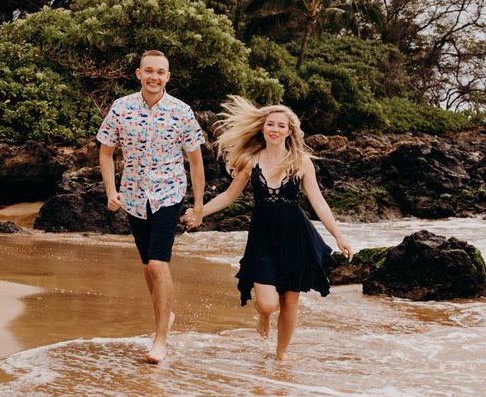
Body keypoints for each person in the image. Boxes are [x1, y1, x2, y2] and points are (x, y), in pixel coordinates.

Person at [187, 97, 354, 362]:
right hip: (262, 238)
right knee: (267, 303)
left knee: (289, 301)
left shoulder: (301, 161)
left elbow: (318, 201)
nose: (275, 129)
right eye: (270, 125)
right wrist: (199, 212)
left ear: (290, 131)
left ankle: (281, 356)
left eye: (280, 126)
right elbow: (229, 196)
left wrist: (339, 236)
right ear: (263, 128)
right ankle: (263, 316)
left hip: (295, 236)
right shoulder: (250, 160)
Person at [97, 49, 207, 366]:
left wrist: (198, 207)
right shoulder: (121, 109)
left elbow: (196, 163)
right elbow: (106, 153)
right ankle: (165, 313)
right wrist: (111, 190)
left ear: (168, 77)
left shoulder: (181, 112)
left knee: (158, 265)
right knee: (149, 267)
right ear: (138, 73)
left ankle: (161, 339)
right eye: (149, 71)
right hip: (133, 196)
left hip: (169, 194)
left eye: (160, 72)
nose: (154, 77)